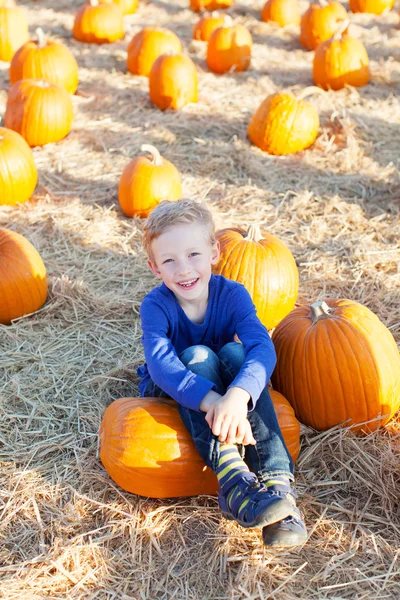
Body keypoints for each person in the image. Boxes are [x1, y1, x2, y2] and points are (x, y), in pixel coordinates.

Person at [137, 198, 307, 548]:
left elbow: (262, 347)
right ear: (155, 269)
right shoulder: (156, 306)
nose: (184, 270)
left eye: (193, 255)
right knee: (198, 354)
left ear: (214, 251)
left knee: (235, 352)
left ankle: (278, 491)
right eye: (169, 261)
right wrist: (216, 400)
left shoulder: (233, 295)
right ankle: (233, 480)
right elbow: (161, 365)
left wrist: (238, 395)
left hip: (227, 392)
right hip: (178, 389)